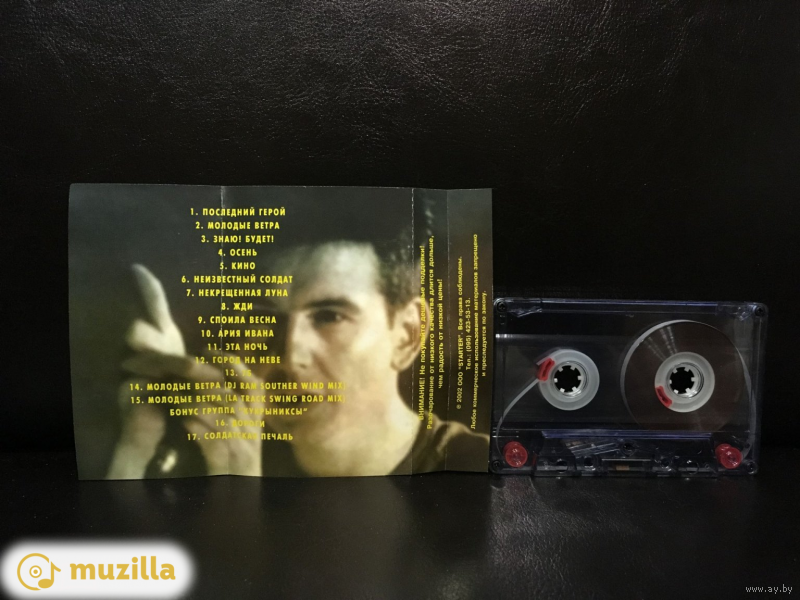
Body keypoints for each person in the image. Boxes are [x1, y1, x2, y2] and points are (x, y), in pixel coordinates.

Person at [106, 238, 488, 478]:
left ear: (406, 335)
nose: (290, 357)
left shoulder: (480, 472)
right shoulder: (207, 453)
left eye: (329, 316)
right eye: (265, 320)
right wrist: (137, 449)